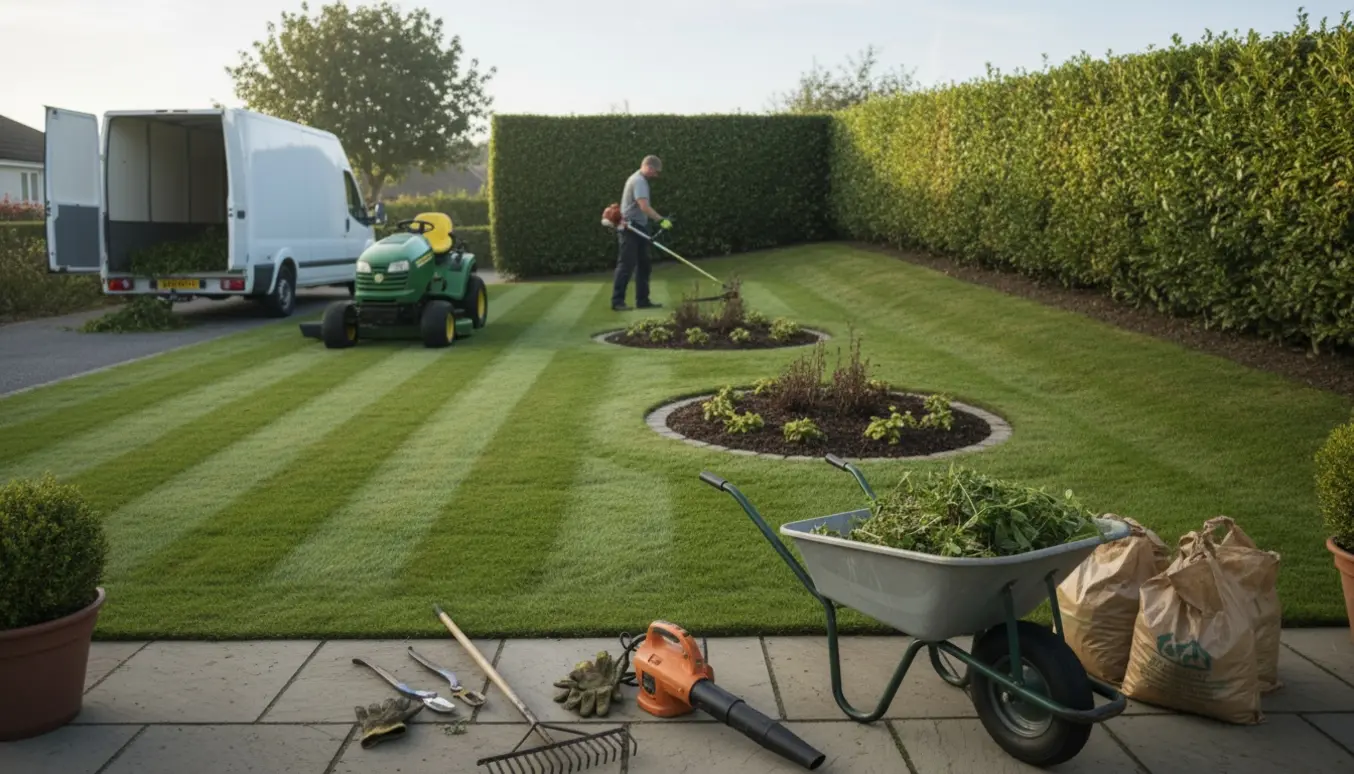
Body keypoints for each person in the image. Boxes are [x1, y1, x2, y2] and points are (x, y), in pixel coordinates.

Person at [612, 155, 672, 311]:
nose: (656, 176)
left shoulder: (641, 180)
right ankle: (617, 301)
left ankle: (643, 300)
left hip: (640, 227)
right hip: (630, 228)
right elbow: (644, 206)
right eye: (655, 172)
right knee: (626, 264)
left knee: (644, 265)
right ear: (649, 167)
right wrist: (661, 220)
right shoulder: (638, 181)